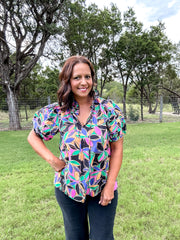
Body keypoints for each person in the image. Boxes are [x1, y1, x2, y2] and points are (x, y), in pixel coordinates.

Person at [27, 56, 126, 240]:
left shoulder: (108, 110)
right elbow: (33, 136)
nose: (83, 82)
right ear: (68, 81)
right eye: (77, 77)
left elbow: (117, 148)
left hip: (102, 186)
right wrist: (54, 161)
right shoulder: (58, 111)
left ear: (93, 79)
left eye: (87, 77)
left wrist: (110, 185)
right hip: (69, 188)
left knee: (102, 237)